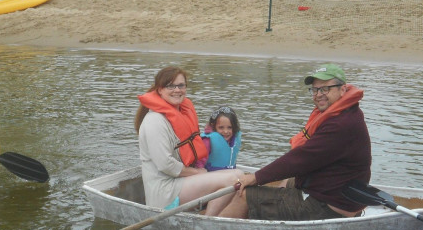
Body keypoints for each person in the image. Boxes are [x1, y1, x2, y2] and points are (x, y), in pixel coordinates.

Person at [219, 63, 371, 220]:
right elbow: (303, 161)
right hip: (333, 194)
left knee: (245, 195)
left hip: (327, 208)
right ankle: (271, 218)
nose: (319, 94)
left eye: (325, 89)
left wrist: (255, 177)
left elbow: (300, 159)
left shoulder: (341, 124)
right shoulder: (349, 113)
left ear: (343, 89)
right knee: (288, 180)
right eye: (315, 89)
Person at [135, 66, 242, 216]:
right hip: (165, 191)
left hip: (181, 182)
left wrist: (200, 172)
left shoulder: (182, 114)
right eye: (170, 86)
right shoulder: (154, 121)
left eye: (181, 85)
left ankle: (210, 214)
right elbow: (166, 165)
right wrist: (197, 172)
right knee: (233, 178)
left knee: (240, 175)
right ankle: (209, 221)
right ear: (159, 90)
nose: (177, 90)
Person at [198, 106, 242, 171]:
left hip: (228, 174)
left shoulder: (233, 138)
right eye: (221, 127)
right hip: (211, 175)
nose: (226, 131)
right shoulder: (207, 141)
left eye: (229, 127)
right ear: (213, 126)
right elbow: (199, 162)